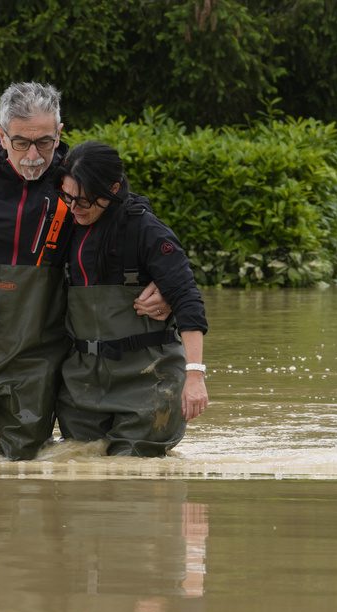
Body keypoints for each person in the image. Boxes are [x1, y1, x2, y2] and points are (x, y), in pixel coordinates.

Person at [0, 83, 168, 460]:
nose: (33, 156)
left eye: (45, 142)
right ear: (1, 135)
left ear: (60, 133)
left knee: (24, 467)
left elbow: (139, 224)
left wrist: (163, 283)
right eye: (21, 143)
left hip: (37, 355)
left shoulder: (77, 178)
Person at [53, 141, 209, 456]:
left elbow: (188, 299)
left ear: (113, 188)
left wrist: (195, 376)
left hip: (147, 382)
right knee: (81, 473)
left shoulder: (146, 230)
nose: (74, 208)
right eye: (67, 197)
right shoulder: (64, 226)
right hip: (82, 384)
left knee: (135, 480)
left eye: (84, 200)